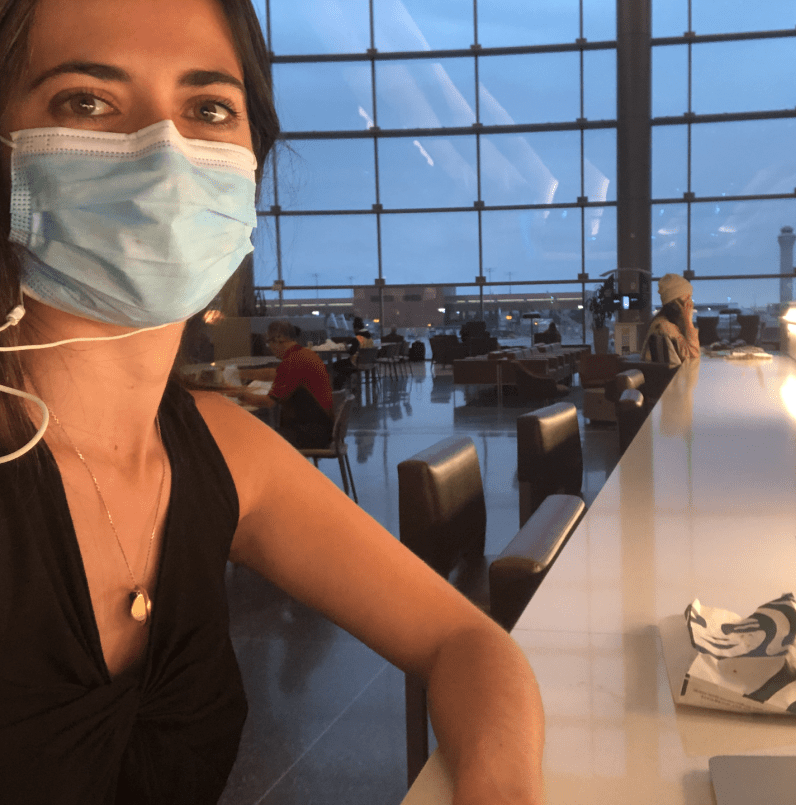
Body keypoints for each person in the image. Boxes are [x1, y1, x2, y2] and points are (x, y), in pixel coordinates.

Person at [0, 2, 544, 803]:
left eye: (209, 108)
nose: (165, 151)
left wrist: (500, 788)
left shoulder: (226, 450)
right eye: (87, 101)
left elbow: (463, 637)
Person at [233, 320, 332, 449]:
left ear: (279, 339)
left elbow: (268, 402)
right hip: (322, 429)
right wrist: (240, 373)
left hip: (309, 434)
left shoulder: (292, 362)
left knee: (251, 438)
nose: (270, 347)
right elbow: (274, 374)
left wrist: (237, 394)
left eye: (269, 342)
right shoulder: (305, 354)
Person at [640, 273, 701, 365]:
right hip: (672, 373)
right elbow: (693, 355)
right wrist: (688, 320)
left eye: (690, 296)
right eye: (687, 297)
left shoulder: (665, 322)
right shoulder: (665, 326)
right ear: (676, 303)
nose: (690, 302)